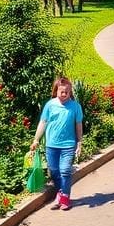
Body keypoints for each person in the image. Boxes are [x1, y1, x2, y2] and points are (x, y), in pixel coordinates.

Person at [30, 76, 84, 211]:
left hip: (68, 144)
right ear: (56, 91)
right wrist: (36, 139)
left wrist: (79, 142)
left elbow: (78, 125)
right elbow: (43, 123)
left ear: (70, 92)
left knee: (65, 171)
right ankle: (60, 194)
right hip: (51, 145)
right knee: (54, 172)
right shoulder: (50, 105)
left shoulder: (75, 107)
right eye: (61, 91)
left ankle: (65, 197)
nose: (64, 94)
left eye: (67, 91)